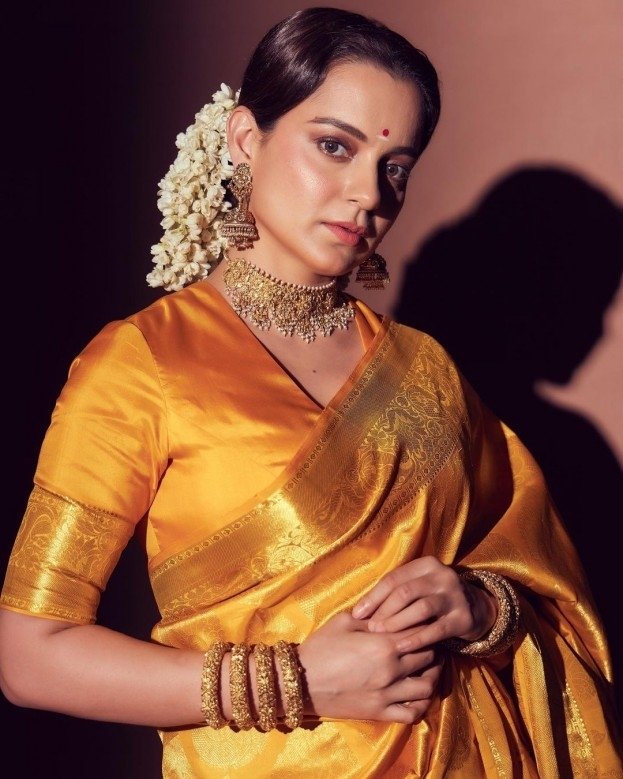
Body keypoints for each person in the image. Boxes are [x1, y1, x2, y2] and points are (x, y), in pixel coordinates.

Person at [0, 6, 620, 777]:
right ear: (244, 138)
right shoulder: (142, 363)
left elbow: (540, 585)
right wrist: (297, 679)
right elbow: (31, 654)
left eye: (395, 167)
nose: (368, 193)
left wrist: (478, 605)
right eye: (334, 146)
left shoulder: (425, 370)